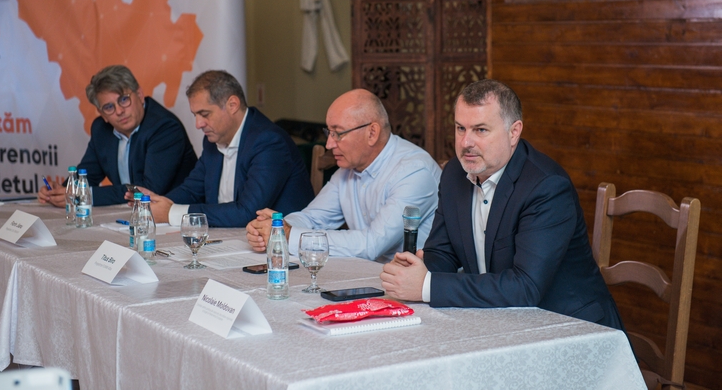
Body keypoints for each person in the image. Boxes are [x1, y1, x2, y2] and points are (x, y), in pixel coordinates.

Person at [380, 79, 625, 331]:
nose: (465, 142)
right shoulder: (454, 173)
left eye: (480, 130)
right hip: (499, 320)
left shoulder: (546, 186)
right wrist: (418, 272)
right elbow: (443, 252)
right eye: (460, 128)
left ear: (514, 132)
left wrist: (427, 286)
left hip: (570, 326)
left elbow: (526, 287)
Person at [246, 89, 442, 263]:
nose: (329, 144)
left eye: (338, 134)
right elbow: (312, 218)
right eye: (329, 133)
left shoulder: (414, 171)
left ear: (372, 133)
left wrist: (290, 235)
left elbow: (372, 244)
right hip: (365, 274)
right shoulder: (347, 171)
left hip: (416, 283)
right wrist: (275, 228)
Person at [142, 70, 314, 227]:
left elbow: (247, 212)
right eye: (195, 115)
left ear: (232, 105)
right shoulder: (212, 140)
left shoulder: (269, 142)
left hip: (280, 244)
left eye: (205, 114)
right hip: (231, 237)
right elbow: (191, 190)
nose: (198, 124)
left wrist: (172, 213)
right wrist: (157, 203)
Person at [38, 65, 197, 207]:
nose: (119, 111)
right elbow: (88, 174)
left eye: (124, 99)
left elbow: (147, 189)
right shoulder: (101, 129)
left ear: (140, 95)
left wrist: (84, 195)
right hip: (131, 214)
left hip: (175, 217)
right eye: (109, 107)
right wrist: (61, 190)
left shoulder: (164, 128)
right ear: (102, 114)